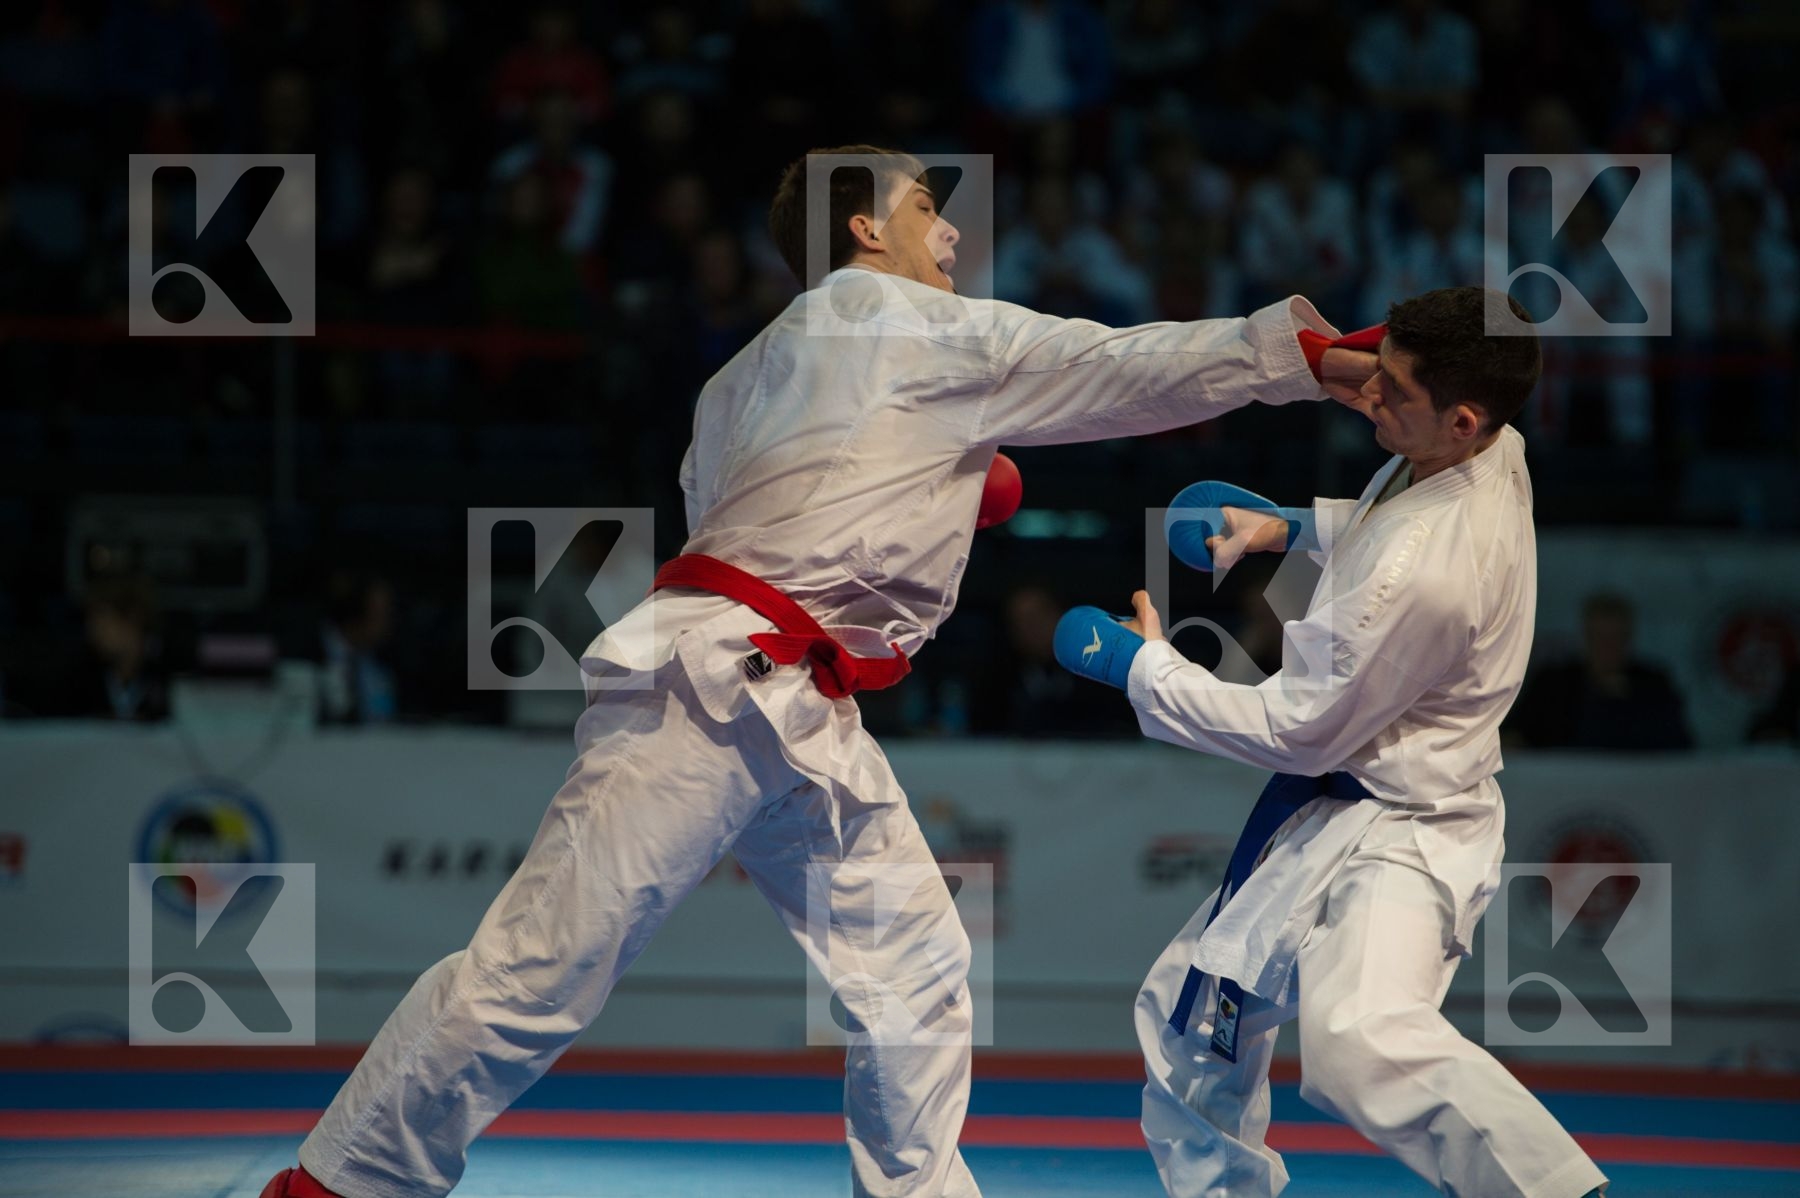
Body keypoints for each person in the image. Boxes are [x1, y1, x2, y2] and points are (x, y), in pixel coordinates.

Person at [262, 145, 1371, 1198]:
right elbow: (1120, 367)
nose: (949, 230)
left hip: (789, 698)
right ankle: (332, 1183)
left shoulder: (737, 378)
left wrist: (943, 478)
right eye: (927, 208)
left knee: (918, 966)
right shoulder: (910, 321)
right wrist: (1304, 358)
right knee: (536, 970)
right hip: (712, 692)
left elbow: (766, 520)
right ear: (863, 222)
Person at [1057, 286, 1607, 1197]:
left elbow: (1294, 729)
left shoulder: (1423, 578)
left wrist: (1139, 666)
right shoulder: (1490, 445)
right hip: (1354, 804)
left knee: (1358, 1041)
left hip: (1405, 827)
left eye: (1391, 387)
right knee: (1187, 1024)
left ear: (1461, 417)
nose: (1366, 395)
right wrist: (1288, 523)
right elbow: (1393, 510)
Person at [1507, 591, 1693, 751]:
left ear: (1628, 639)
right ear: (1586, 637)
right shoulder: (1552, 685)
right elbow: (1518, 736)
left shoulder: (1653, 686)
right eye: (1600, 638)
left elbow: (1679, 745)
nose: (1608, 648)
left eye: (1616, 639)